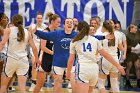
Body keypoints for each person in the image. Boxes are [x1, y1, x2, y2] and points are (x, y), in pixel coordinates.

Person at [66, 21, 125, 93]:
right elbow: (106, 54)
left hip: (83, 68)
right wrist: (118, 65)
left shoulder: (74, 41)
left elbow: (71, 60)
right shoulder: (95, 40)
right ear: (88, 30)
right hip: (94, 69)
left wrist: (68, 72)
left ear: (77, 30)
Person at [0, 14, 40, 93]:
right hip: (23, 61)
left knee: (3, 86)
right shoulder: (27, 32)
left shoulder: (9, 30)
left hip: (11, 60)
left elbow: (2, 43)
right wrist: (37, 59)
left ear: (13, 21)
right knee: (22, 88)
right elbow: (34, 48)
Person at [34, 12, 61, 93]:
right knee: (40, 83)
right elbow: (43, 47)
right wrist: (54, 53)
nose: (59, 24)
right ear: (52, 22)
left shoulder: (57, 32)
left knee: (58, 81)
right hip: (44, 59)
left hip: (54, 60)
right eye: (58, 22)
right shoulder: (45, 31)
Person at [97, 21, 125, 93]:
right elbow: (122, 49)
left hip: (105, 59)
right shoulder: (117, 35)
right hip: (115, 59)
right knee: (115, 83)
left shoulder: (102, 36)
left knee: (100, 83)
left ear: (104, 27)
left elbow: (98, 50)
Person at [28, 11, 47, 92]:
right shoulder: (32, 26)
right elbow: (29, 38)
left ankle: (39, 84)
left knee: (41, 68)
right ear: (36, 18)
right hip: (34, 49)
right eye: (38, 18)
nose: (39, 19)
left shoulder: (45, 27)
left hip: (42, 49)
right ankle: (33, 83)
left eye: (41, 18)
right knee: (34, 65)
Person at [125, 24, 140, 88]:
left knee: (138, 67)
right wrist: (131, 48)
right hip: (129, 53)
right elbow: (125, 45)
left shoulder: (137, 35)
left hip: (136, 53)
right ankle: (127, 81)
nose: (136, 30)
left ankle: (138, 81)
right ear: (131, 29)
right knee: (129, 68)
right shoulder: (127, 35)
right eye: (135, 28)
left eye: (137, 28)